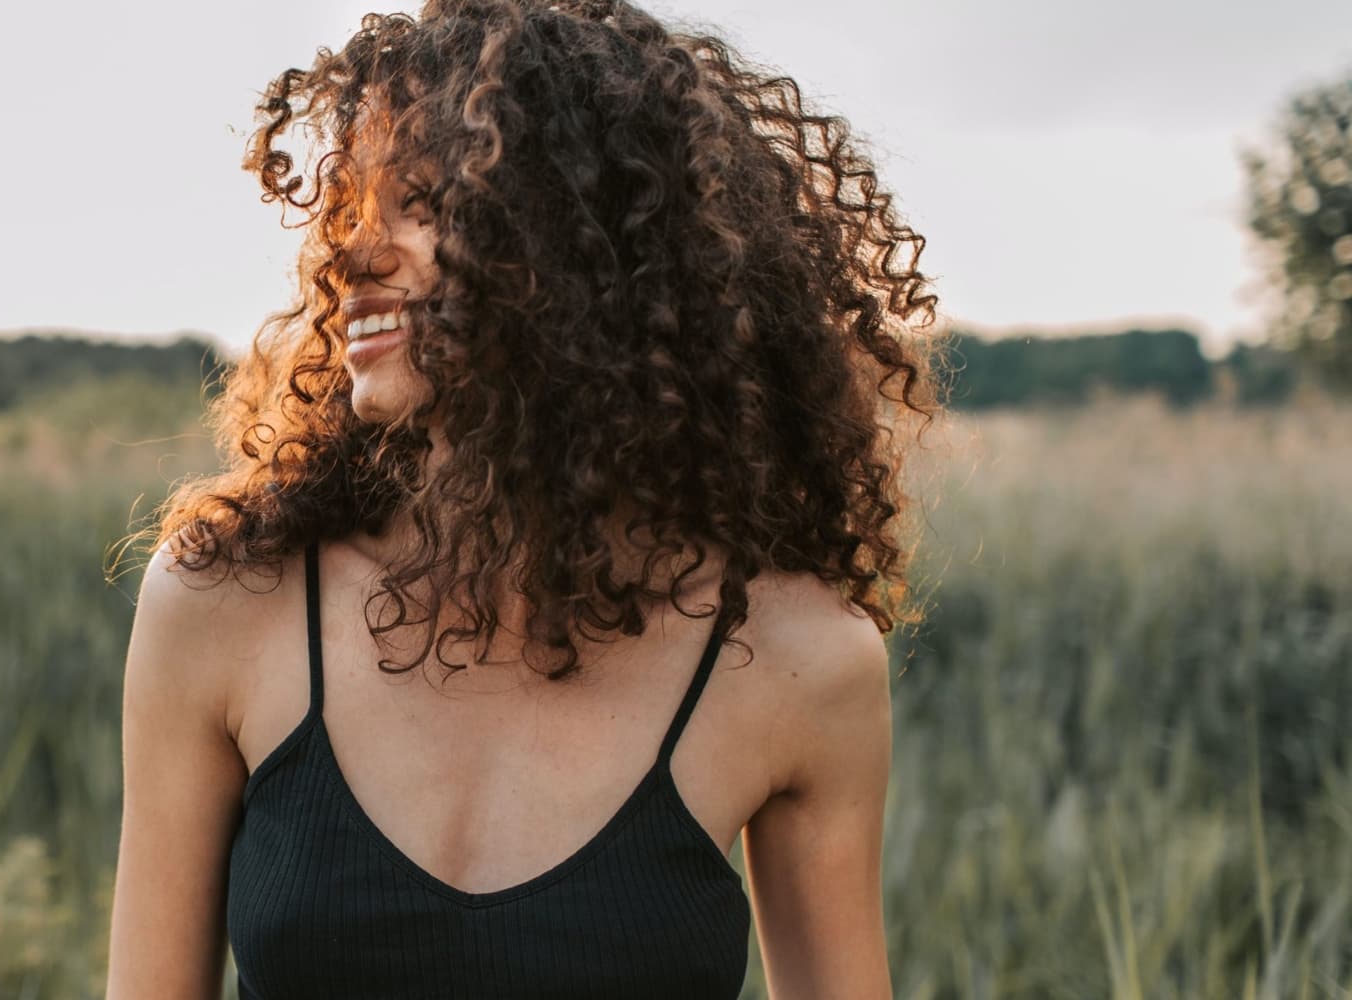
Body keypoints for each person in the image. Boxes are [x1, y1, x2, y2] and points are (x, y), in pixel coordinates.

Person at [105, 0, 944, 996]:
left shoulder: (798, 658)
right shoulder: (224, 601)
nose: (353, 252)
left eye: (419, 200)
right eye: (347, 206)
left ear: (574, 241)